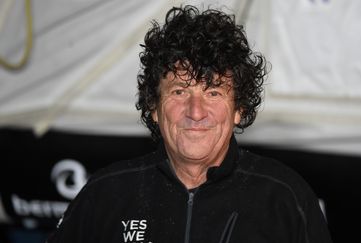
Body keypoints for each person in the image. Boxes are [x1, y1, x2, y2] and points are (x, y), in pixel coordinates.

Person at [47, 5, 333, 243]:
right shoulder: (106, 193)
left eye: (213, 92)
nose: (196, 112)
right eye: (179, 91)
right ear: (154, 107)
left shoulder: (284, 197)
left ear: (238, 109)